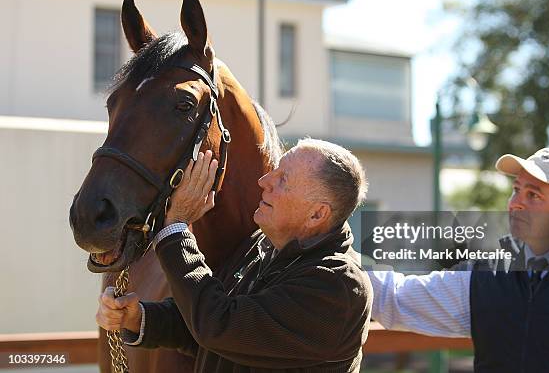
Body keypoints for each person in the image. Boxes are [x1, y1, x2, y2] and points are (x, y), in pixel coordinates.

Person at [96, 138, 372, 372]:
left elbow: (219, 325)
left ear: (316, 214)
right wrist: (140, 318)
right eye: (274, 170)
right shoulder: (260, 243)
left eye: (283, 180)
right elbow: (221, 337)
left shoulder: (338, 286)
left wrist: (176, 228)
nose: (264, 181)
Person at [368, 148, 549, 372]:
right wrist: (336, 250)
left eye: (533, 195)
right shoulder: (483, 277)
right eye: (516, 190)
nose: (516, 204)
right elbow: (393, 299)